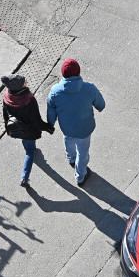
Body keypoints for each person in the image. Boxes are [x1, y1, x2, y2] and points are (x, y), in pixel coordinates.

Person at [46, 59, 106, 187]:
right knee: (83, 154)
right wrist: (99, 108)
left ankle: (71, 158)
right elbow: (101, 104)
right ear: (78, 72)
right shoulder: (89, 88)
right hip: (84, 129)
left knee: (68, 140)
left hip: (67, 127)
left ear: (63, 73)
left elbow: (51, 110)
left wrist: (50, 123)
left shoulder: (55, 91)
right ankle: (80, 177)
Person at [1, 74, 54, 187]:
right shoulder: (29, 100)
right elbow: (36, 121)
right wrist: (47, 127)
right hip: (29, 131)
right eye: (24, 81)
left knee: (23, 139)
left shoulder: (6, 97)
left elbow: (5, 115)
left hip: (16, 128)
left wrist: (7, 129)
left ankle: (28, 148)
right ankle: (24, 177)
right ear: (20, 87)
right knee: (30, 151)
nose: (27, 81)